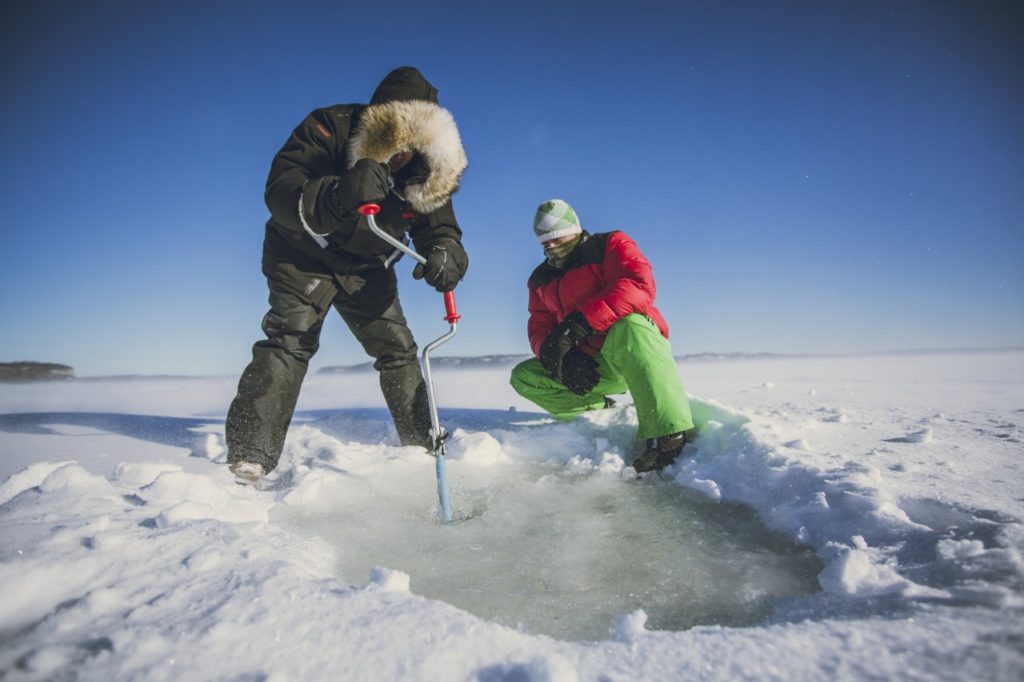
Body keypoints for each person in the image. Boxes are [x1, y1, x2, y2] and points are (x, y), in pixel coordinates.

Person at [225, 67, 469, 484]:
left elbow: (439, 226)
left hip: (368, 267)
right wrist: (339, 192)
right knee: (290, 339)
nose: (400, 156)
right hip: (302, 253)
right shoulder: (330, 126)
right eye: (394, 142)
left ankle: (423, 443)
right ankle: (251, 454)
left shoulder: (425, 168)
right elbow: (280, 190)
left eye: (410, 147)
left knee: (397, 351)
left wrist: (447, 252)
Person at [510, 199, 694, 473]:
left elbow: (637, 285)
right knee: (525, 376)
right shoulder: (540, 278)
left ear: (574, 229)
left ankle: (669, 435)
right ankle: (597, 414)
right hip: (591, 365)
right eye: (544, 241)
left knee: (631, 324)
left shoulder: (609, 245)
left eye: (556, 237)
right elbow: (539, 324)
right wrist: (560, 356)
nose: (550, 246)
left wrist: (580, 323)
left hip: (632, 351)